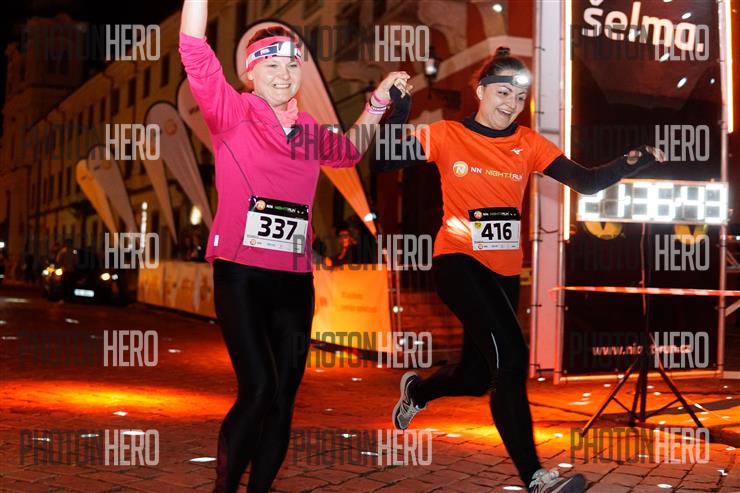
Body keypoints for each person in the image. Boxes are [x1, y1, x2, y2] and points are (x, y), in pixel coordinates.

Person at [374, 47, 665, 493]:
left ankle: (417, 393)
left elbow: (586, 182)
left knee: (475, 377)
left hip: (504, 273)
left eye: (519, 96)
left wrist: (634, 160)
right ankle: (536, 477)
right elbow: (384, 159)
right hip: (457, 260)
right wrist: (399, 112)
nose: (511, 103)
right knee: (511, 357)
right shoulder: (447, 134)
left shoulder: (528, 143)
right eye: (502, 92)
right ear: (480, 91)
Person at [178, 2, 411, 491]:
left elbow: (349, 151)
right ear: (250, 73)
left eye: (291, 65)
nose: (283, 74)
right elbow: (193, 47)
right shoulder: (231, 112)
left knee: (284, 396)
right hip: (241, 274)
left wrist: (377, 103)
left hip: (294, 281)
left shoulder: (309, 132)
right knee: (259, 387)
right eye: (271, 64)